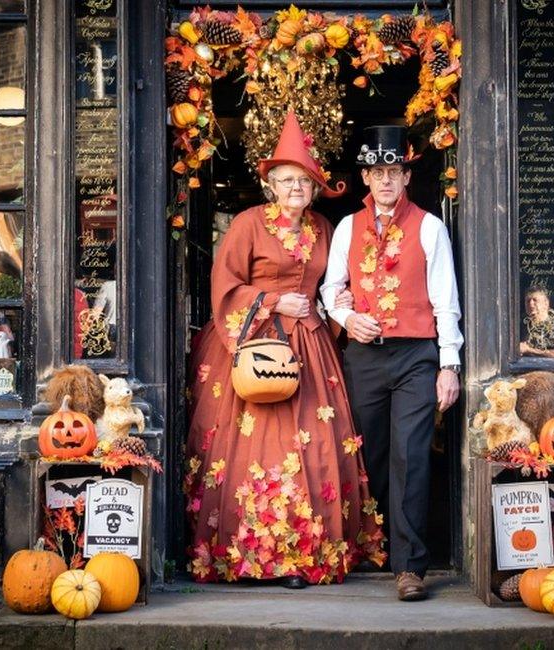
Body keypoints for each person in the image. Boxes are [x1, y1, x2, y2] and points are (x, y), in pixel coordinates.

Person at [184, 112, 386, 588]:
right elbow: (224, 284)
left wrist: (344, 311)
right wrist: (272, 300)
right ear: (271, 184)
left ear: (316, 188)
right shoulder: (247, 224)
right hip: (254, 340)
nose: (297, 188)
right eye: (288, 180)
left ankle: (301, 555)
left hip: (310, 344)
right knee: (258, 442)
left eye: (305, 181)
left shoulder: (324, 228)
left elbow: (340, 283)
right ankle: (249, 553)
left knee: (312, 446)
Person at [321, 125, 463, 601]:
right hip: (364, 355)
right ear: (365, 177)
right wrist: (346, 316)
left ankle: (410, 566)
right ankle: (372, 545)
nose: (385, 180)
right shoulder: (346, 228)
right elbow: (329, 288)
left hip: (416, 357)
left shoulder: (429, 226)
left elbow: (446, 301)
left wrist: (449, 365)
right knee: (371, 453)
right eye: (377, 172)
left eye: (394, 171)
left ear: (405, 177)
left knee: (412, 456)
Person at [519, 285, 554, 358]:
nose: (531, 304)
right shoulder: (522, 327)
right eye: (528, 301)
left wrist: (529, 350)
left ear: (546, 303)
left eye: (535, 300)